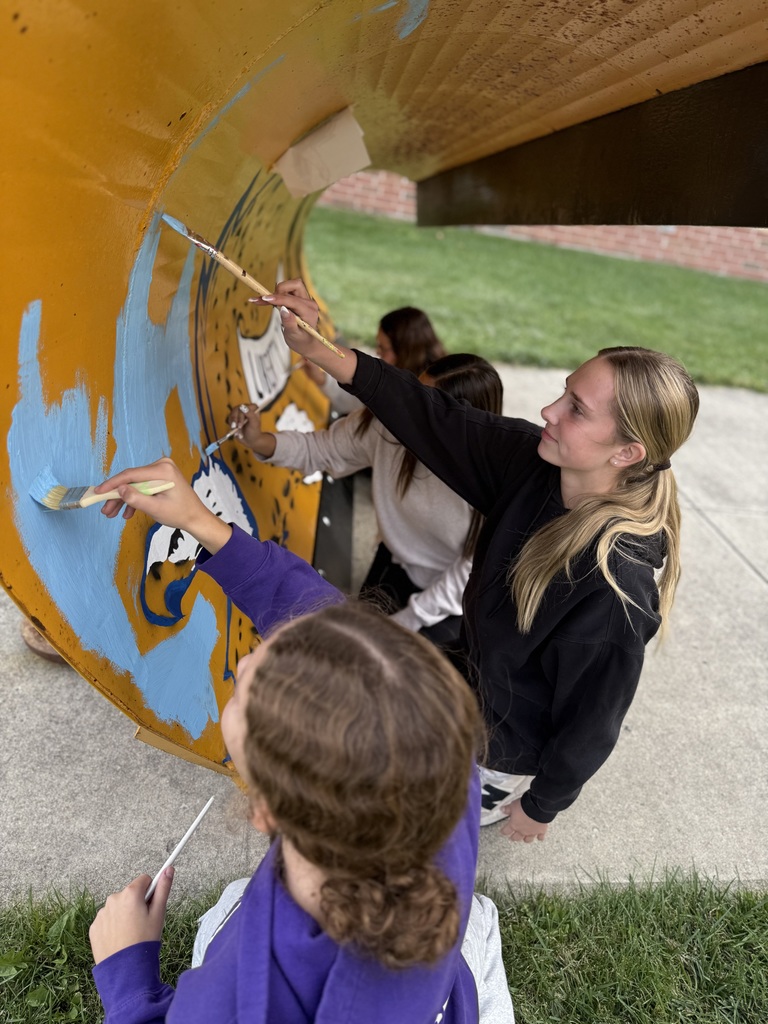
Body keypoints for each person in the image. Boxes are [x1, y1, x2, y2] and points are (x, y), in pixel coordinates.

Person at [254, 281, 701, 844]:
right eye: (563, 393)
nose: (549, 411)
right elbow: (433, 415)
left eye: (576, 410)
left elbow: (593, 719)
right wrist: (320, 349)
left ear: (628, 453)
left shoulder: (615, 588)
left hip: (501, 751)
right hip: (473, 681)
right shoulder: (533, 463)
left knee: (410, 823)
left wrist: (542, 805)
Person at [89, 460, 515, 1024]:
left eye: (244, 690)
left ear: (265, 810)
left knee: (224, 913)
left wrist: (127, 975)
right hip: (446, 993)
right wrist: (203, 525)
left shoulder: (235, 998)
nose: (245, 661)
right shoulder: (445, 775)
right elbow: (336, 642)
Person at [228, 353, 503, 649]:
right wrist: (258, 440)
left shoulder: (494, 478)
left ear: (461, 422)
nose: (408, 408)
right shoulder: (388, 425)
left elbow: (469, 572)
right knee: (355, 644)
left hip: (453, 601)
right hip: (393, 562)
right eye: (414, 392)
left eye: (425, 405)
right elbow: (323, 449)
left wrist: (408, 620)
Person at [302, 306, 446, 415]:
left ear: (405, 352)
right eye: (378, 345)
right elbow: (357, 399)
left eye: (383, 348)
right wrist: (321, 379)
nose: (377, 352)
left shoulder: (414, 395)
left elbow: (358, 403)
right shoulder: (401, 373)